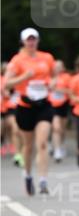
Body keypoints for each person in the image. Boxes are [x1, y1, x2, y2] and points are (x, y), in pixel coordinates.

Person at [4, 28, 54, 195]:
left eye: (34, 39)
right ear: (23, 42)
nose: (31, 42)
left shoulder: (47, 58)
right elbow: (7, 84)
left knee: (42, 143)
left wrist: (52, 83)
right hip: (25, 107)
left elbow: (54, 76)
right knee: (28, 146)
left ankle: (43, 181)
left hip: (44, 105)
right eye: (28, 40)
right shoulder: (17, 60)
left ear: (38, 41)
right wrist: (25, 77)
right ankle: (27, 175)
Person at [49, 59, 71, 162]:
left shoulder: (67, 78)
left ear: (63, 68)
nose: (57, 68)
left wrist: (58, 90)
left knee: (62, 128)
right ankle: (57, 150)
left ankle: (60, 144)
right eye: (55, 66)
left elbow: (71, 91)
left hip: (64, 104)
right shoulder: (48, 77)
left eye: (59, 67)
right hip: (52, 106)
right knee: (56, 128)